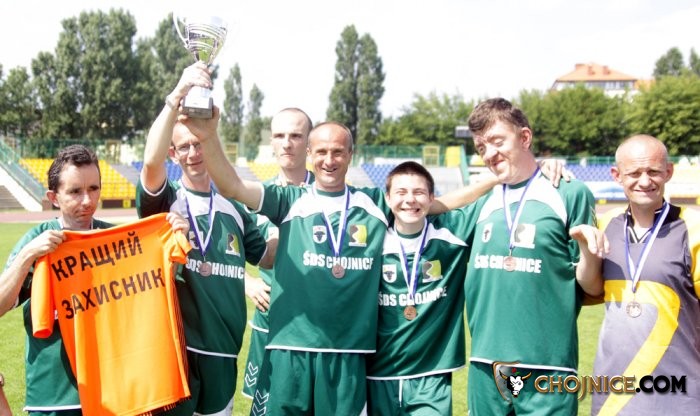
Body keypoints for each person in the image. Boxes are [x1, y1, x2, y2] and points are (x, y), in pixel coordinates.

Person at [0, 144, 188, 415]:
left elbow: (152, 290)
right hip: (54, 397)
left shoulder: (116, 240)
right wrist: (28, 255)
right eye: (75, 191)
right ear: (54, 197)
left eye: (93, 189)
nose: (87, 201)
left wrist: (174, 240)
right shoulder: (38, 241)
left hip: (112, 393)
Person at [136, 61, 274, 416]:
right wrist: (176, 97)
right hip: (175, 348)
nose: (193, 154)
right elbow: (150, 164)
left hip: (223, 349)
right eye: (184, 147)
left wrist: (293, 220)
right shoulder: (166, 200)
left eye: (199, 144)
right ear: (173, 153)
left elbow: (267, 256)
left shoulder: (235, 207)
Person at [462, 98, 600, 415]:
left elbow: (591, 286)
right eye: (481, 147)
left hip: (548, 365)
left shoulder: (569, 192)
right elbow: (422, 211)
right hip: (485, 364)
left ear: (525, 137)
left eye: (497, 141)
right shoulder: (480, 201)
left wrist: (588, 253)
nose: (489, 154)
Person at [573, 134, 700, 415]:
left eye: (653, 171)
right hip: (613, 394)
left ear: (668, 172)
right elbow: (593, 290)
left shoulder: (693, 227)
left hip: (680, 396)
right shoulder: (605, 225)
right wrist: (585, 249)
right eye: (634, 173)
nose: (645, 181)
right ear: (617, 175)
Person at [366, 161, 482, 415]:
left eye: (418, 192)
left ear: (432, 198)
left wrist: (541, 169)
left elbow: (503, 189)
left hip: (431, 377)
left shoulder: (452, 232)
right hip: (376, 375)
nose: (410, 200)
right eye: (401, 192)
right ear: (387, 198)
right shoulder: (372, 238)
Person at [241, 107, 315, 400]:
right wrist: (246, 282)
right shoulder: (253, 197)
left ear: (309, 142)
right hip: (270, 321)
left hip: (317, 324)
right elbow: (219, 251)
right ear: (271, 142)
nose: (287, 143)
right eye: (279, 135)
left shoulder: (331, 195)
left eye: (295, 135)